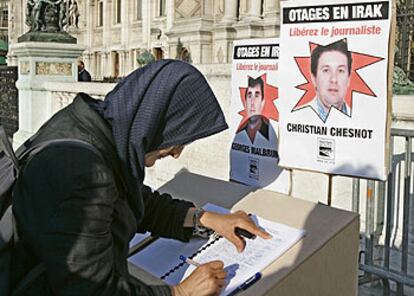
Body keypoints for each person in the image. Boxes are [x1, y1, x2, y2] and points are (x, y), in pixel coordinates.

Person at [11, 60, 271, 296]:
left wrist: (202, 219)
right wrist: (180, 293)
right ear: (158, 120)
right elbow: (90, 289)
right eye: (178, 138)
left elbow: (127, 197)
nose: (177, 153)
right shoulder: (82, 171)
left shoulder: (94, 129)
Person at [309, 39, 353, 122]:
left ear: (348, 78)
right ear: (314, 78)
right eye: (326, 70)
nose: (334, 79)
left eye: (340, 71)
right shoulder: (297, 117)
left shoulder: (362, 120)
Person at [237, 76, 270, 143]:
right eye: (249, 96)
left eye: (256, 96)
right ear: (245, 103)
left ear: (262, 102)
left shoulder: (269, 132)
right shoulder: (238, 133)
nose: (252, 102)